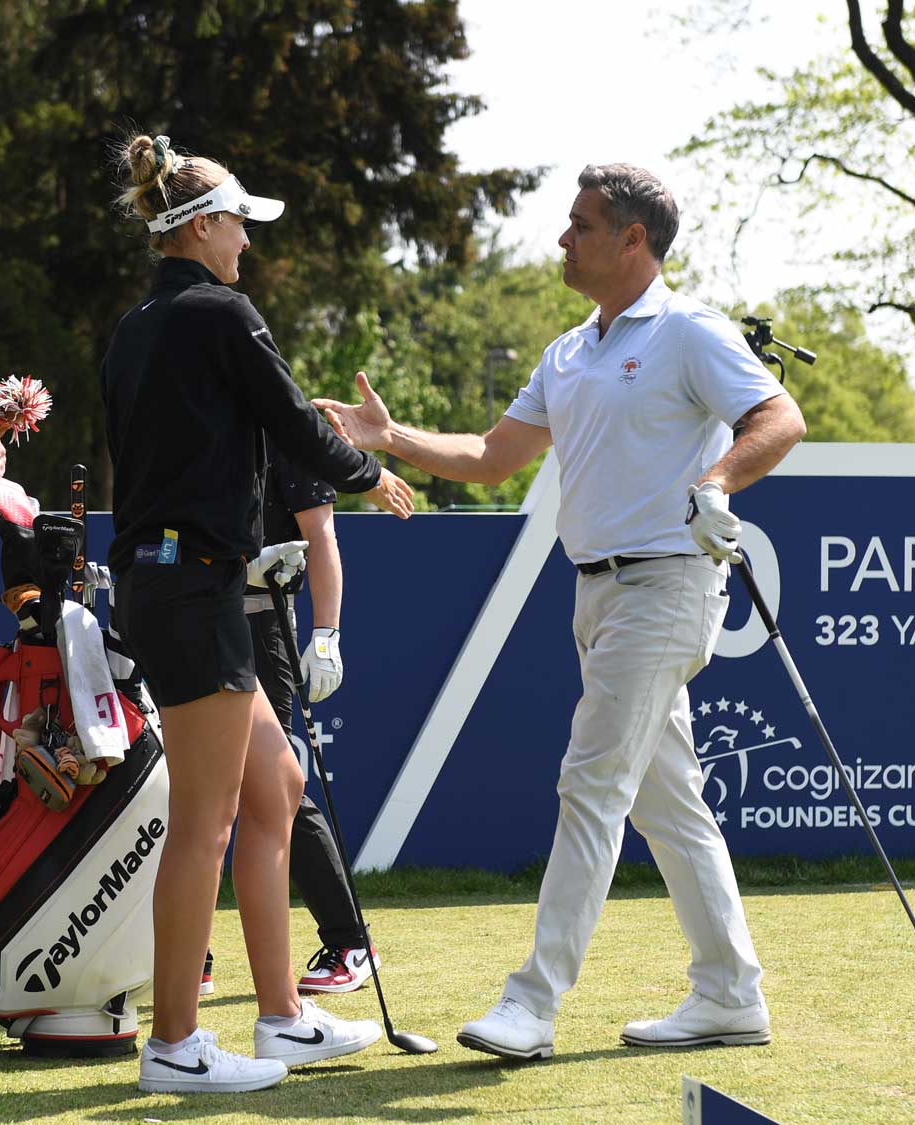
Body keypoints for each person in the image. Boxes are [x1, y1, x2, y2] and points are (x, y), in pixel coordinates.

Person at [315, 163, 806, 1060]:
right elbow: (494, 455)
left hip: (666, 585)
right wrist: (391, 439)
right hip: (597, 590)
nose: (562, 237)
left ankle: (532, 1003)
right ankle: (731, 992)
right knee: (670, 806)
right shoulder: (570, 349)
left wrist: (717, 479)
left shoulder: (691, 330)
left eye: (581, 224)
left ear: (633, 240)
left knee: (590, 785)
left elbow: (780, 417)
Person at [100, 133, 415, 1094]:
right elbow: (290, 422)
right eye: (239, 223)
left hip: (185, 584)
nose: (249, 241)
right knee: (205, 817)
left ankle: (282, 1018)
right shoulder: (221, 312)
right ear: (199, 226)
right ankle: (176, 1046)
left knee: (274, 785)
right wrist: (368, 467)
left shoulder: (137, 327)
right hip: (187, 588)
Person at [247, 453, 379, 995]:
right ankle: (193, 953)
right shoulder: (210, 423)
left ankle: (351, 941)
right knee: (195, 787)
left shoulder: (282, 430)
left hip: (263, 623)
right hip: (201, 624)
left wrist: (326, 634)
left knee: (275, 787)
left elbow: (320, 537)